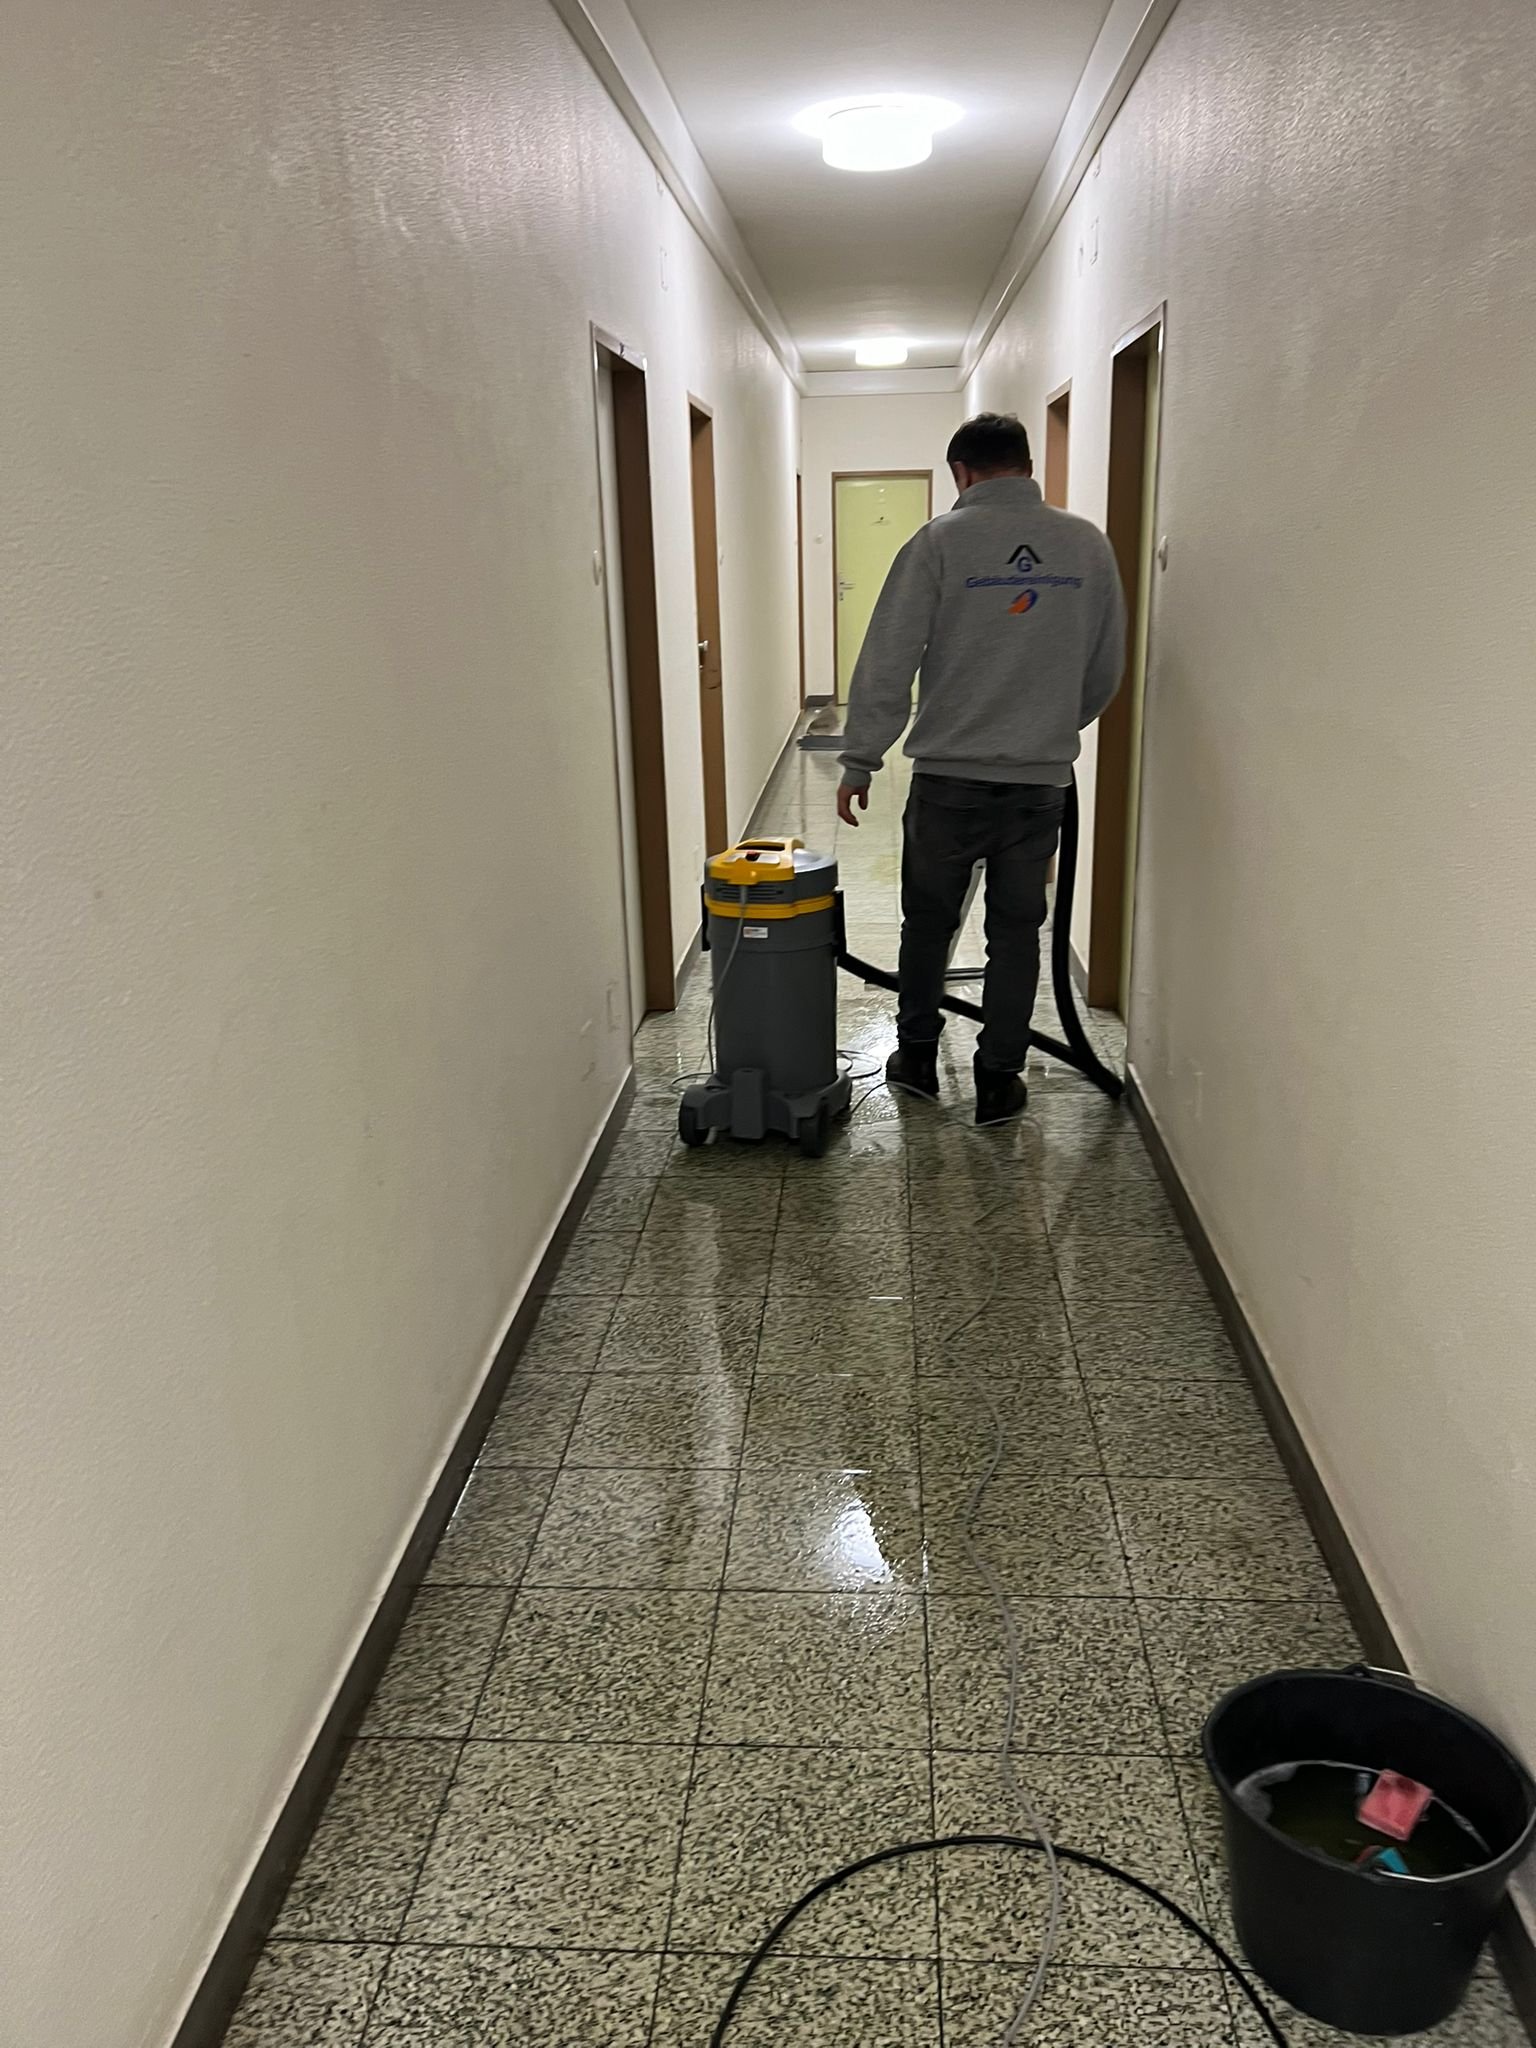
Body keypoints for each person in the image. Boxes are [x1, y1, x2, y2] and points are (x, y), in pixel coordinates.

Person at [837, 411, 1126, 1124]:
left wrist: (861, 759)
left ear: (961, 473)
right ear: (1027, 466)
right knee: (1017, 933)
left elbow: (888, 657)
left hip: (947, 783)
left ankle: (915, 1057)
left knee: (928, 923)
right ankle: (999, 1079)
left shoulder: (939, 541)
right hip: (1039, 784)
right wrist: (1048, 728)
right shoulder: (1087, 545)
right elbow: (1105, 665)